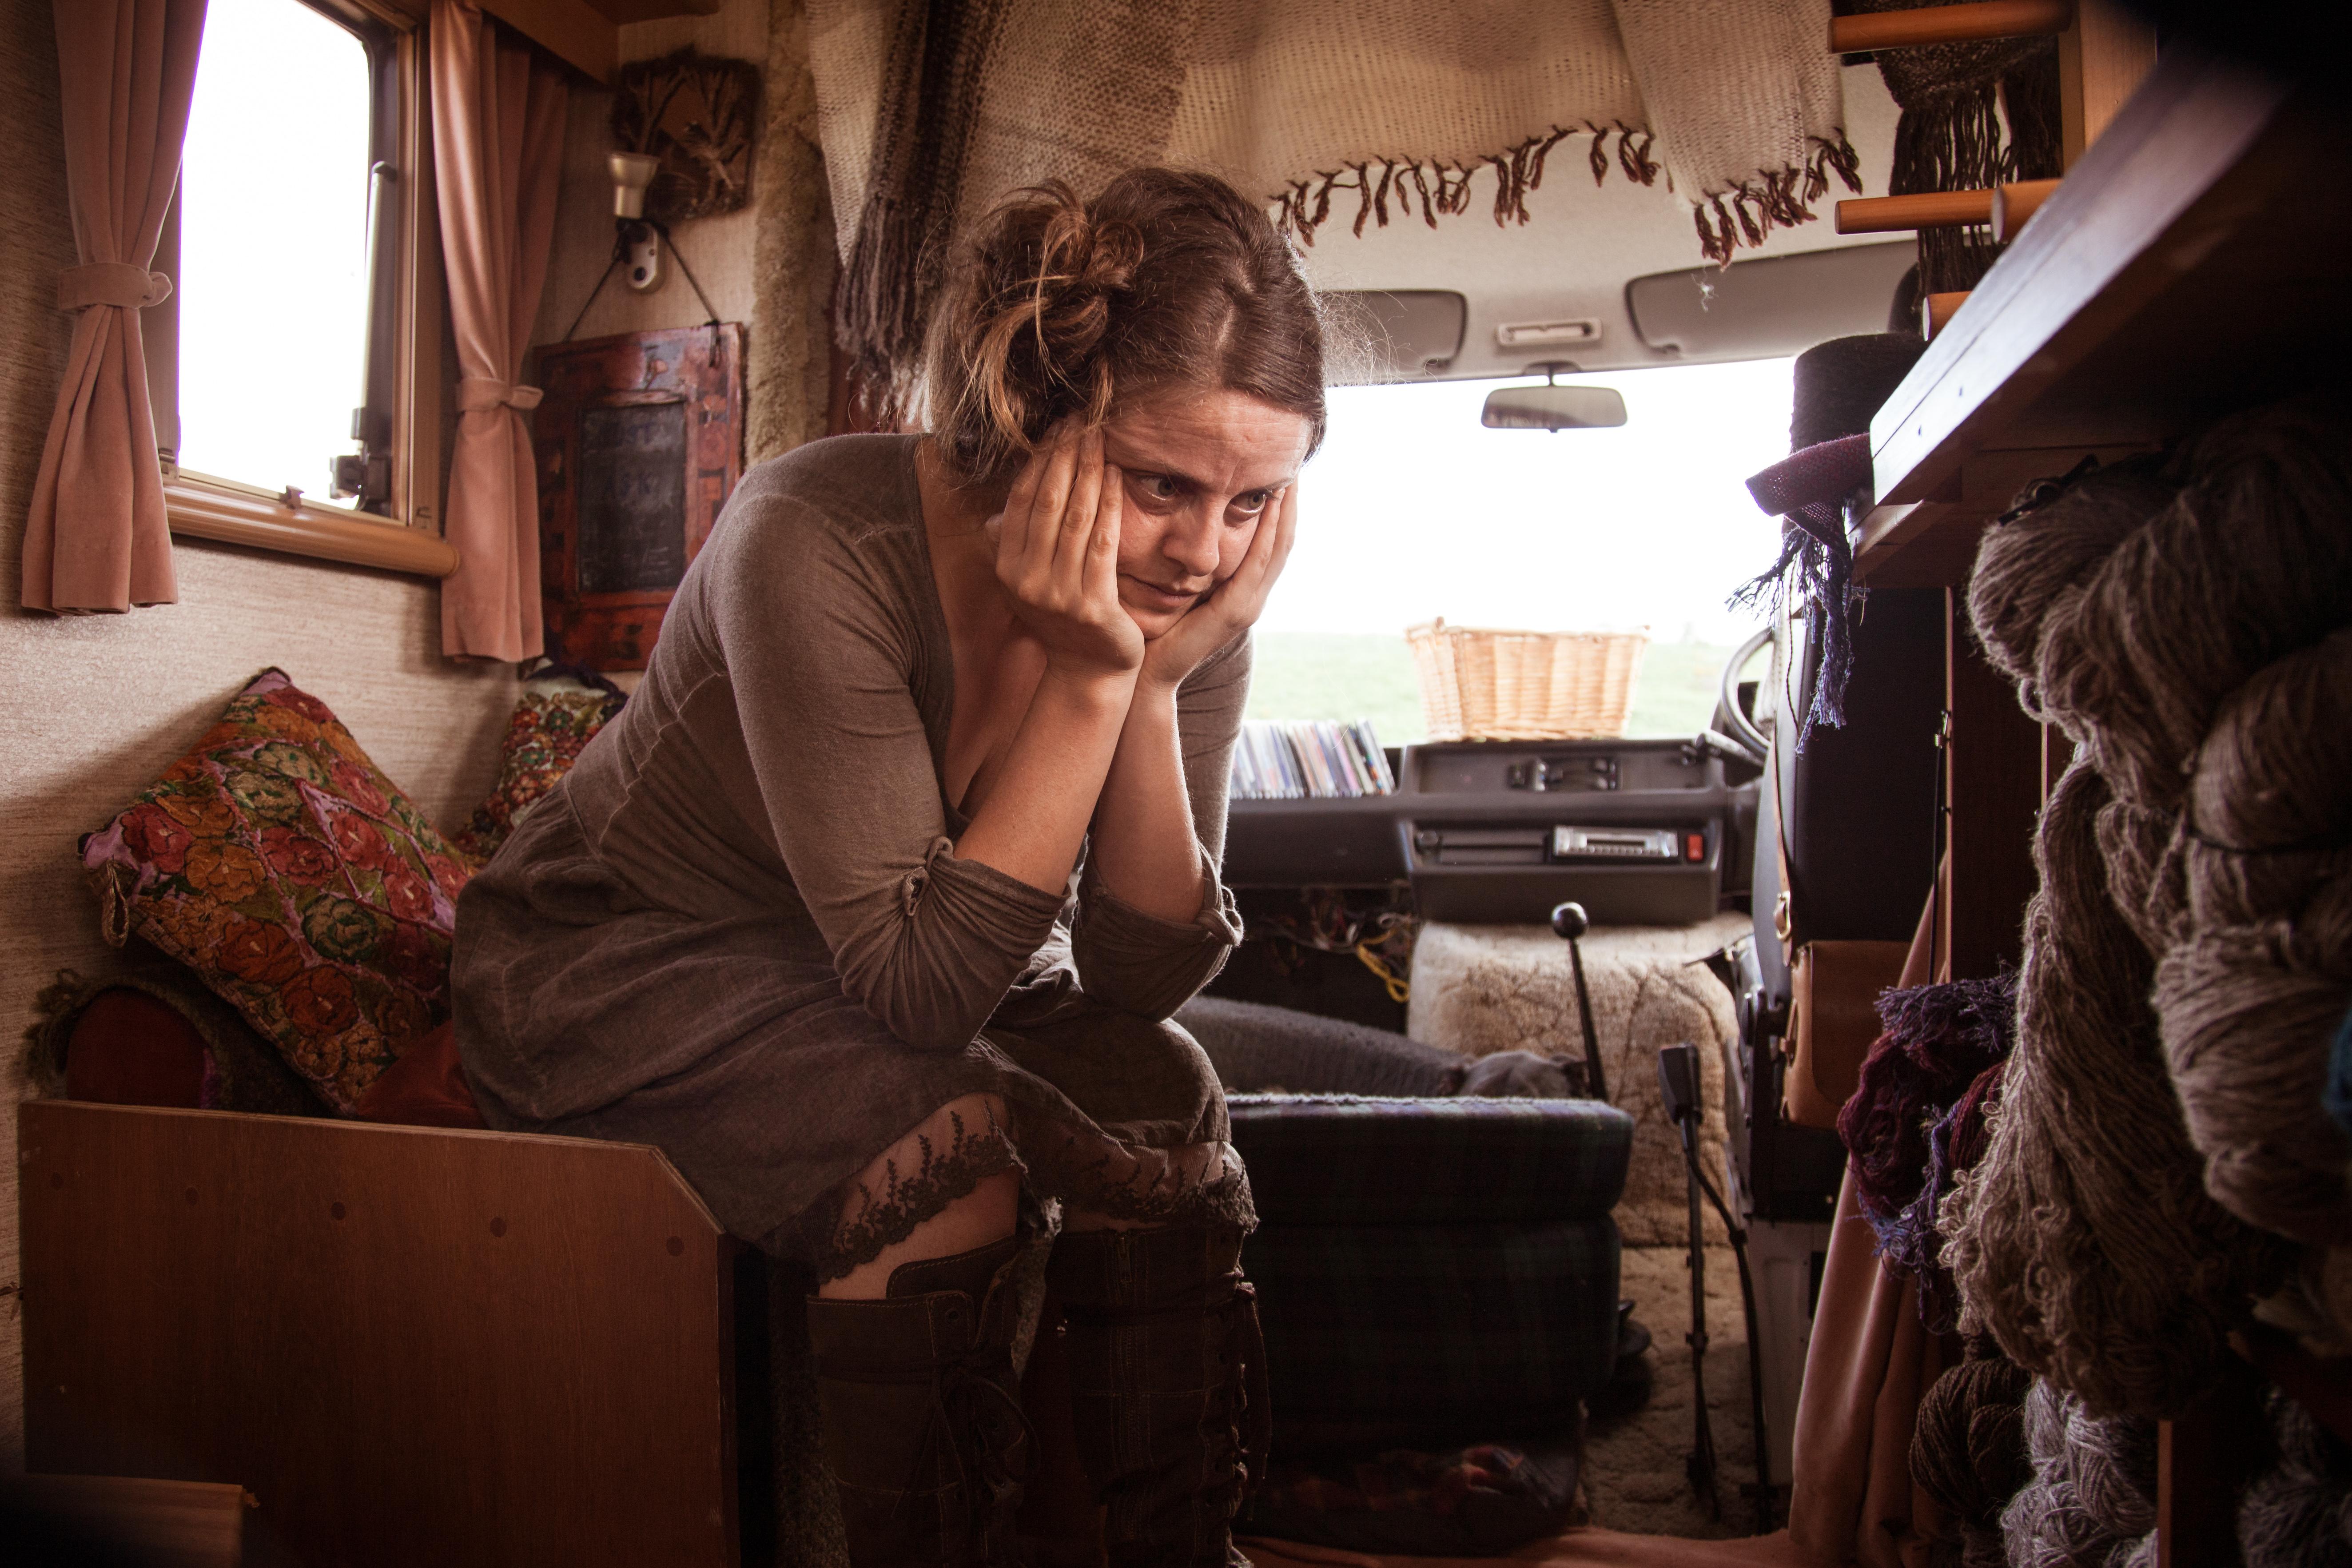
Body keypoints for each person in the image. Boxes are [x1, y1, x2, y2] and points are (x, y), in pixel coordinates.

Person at [450, 167, 1325, 1568]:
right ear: (1036, 416)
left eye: (1253, 501)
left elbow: (1139, 977)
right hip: (633, 954)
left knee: (1165, 1085)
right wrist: (1095, 680)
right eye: (1162, 482)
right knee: (944, 1134)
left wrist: (1157, 688)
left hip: (871, 969)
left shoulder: (1188, 603)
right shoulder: (813, 539)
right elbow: (924, 998)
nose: (1203, 550)